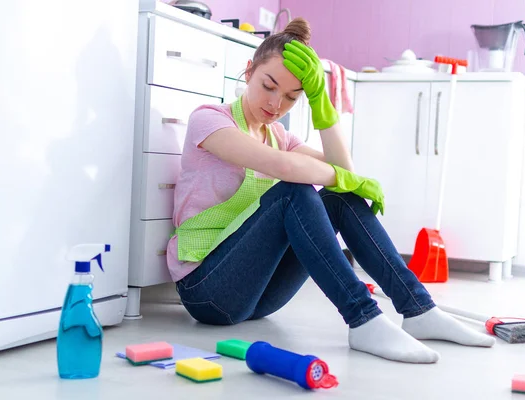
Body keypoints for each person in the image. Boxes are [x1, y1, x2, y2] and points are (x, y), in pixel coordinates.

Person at [166, 17, 495, 364]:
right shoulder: (210, 121)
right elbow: (285, 168)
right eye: (269, 86)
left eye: (292, 97)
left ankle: (418, 309)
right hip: (206, 291)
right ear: (248, 71)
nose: (276, 104)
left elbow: (344, 173)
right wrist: (343, 178)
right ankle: (363, 318)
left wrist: (322, 102)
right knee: (295, 191)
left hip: (259, 296)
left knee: (339, 199)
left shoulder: (280, 137)